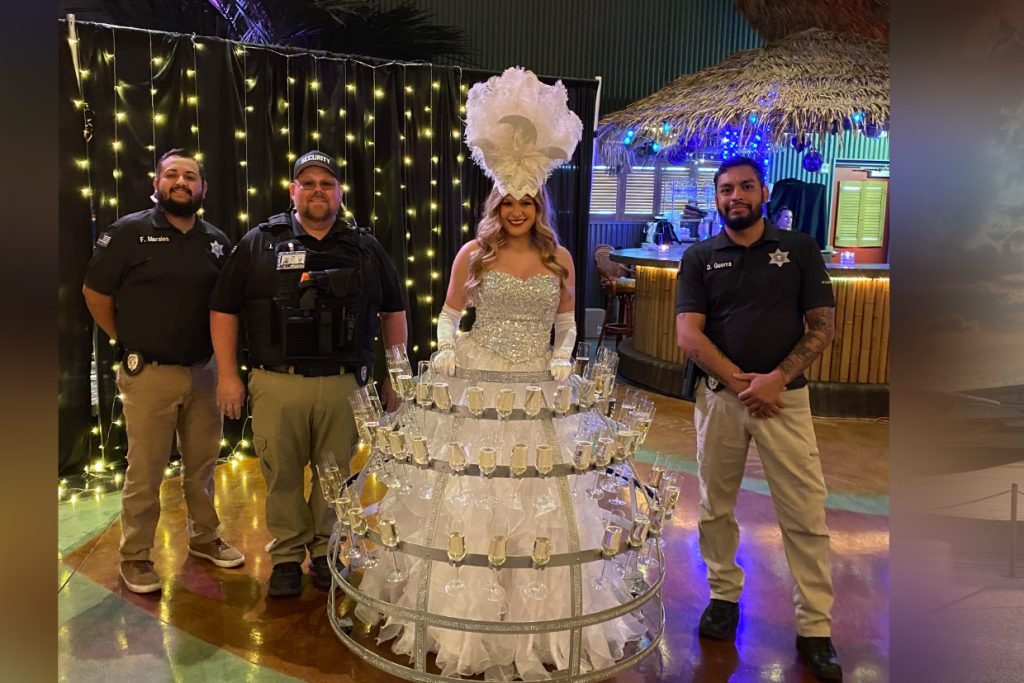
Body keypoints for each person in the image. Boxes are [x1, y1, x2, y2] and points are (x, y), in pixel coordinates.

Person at [353, 67, 646, 680]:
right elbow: (447, 318)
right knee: (470, 497)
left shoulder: (559, 257)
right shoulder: (474, 253)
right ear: (496, 204)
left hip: (539, 385)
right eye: (507, 202)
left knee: (545, 499)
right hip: (478, 379)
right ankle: (466, 616)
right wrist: (448, 351)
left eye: (526, 202)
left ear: (539, 205)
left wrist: (562, 357)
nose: (516, 211)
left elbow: (566, 322)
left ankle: (537, 617)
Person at [209, 150, 407, 597]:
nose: (319, 191)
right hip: (278, 382)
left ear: (339, 192)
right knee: (280, 474)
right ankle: (285, 556)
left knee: (334, 475)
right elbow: (223, 308)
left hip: (343, 383)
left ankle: (325, 550)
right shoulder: (260, 242)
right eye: (309, 183)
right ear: (293, 190)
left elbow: (394, 311)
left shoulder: (364, 247)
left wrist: (395, 374)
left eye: (327, 184)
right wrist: (228, 375)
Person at [675, 156, 841, 680]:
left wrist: (775, 380)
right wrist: (743, 383)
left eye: (746, 187)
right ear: (717, 197)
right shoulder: (700, 256)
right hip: (721, 400)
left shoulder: (800, 249)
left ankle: (814, 627)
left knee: (804, 512)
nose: (736, 196)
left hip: (785, 400)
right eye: (726, 189)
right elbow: (688, 334)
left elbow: (822, 326)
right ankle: (723, 597)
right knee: (714, 505)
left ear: (763, 193)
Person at [82, 148, 244, 595]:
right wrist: (128, 337)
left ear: (203, 188)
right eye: (172, 174)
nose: (181, 182)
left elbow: (226, 307)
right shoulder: (128, 233)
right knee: (146, 471)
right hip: (149, 375)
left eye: (190, 176)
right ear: (157, 184)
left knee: (203, 466)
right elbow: (95, 293)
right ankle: (135, 556)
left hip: (204, 372)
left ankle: (205, 538)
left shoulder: (216, 241)